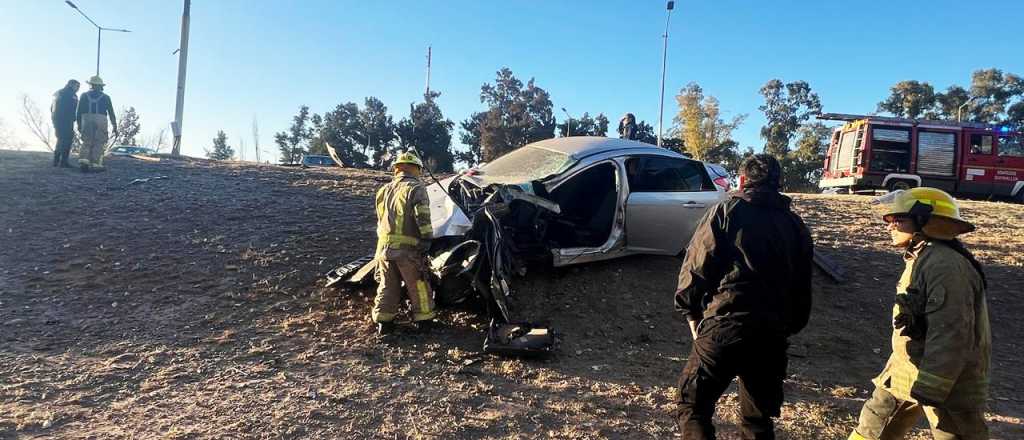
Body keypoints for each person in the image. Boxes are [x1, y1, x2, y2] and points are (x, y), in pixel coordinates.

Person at [674, 154, 814, 439]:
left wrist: (691, 314)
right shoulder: (795, 225)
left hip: (725, 326)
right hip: (771, 335)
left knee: (693, 406)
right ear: (778, 183)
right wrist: (787, 326)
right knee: (758, 420)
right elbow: (803, 285)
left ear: (741, 180)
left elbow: (697, 266)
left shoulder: (726, 212)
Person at [849, 188, 990, 440]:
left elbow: (951, 332)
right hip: (906, 370)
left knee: (954, 434)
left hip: (947, 379)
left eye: (898, 219)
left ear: (926, 221)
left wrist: (932, 387)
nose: (889, 226)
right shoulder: (922, 257)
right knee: (872, 428)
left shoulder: (944, 265)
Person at [371, 151, 438, 336]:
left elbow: (381, 220)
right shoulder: (416, 188)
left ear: (397, 169)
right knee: (418, 285)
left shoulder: (384, 190)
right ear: (417, 169)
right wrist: (427, 239)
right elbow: (422, 217)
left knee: (387, 286)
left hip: (384, 249)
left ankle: (384, 323)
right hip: (408, 250)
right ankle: (424, 322)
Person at [76, 75, 117, 172]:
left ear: (91, 85)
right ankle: (96, 163)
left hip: (86, 118)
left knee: (87, 140)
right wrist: (114, 125)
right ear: (101, 86)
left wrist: (79, 124)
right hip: (101, 119)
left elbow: (79, 111)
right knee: (99, 141)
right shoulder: (106, 97)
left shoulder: (84, 95)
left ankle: (84, 160)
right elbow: (111, 112)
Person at [51, 79, 80, 167]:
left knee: (61, 138)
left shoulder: (58, 93)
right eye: (77, 86)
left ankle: (56, 160)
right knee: (67, 139)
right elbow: (71, 108)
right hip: (65, 119)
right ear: (71, 85)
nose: (78, 89)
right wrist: (73, 118)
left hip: (57, 119)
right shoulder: (71, 94)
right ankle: (63, 161)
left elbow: (52, 108)